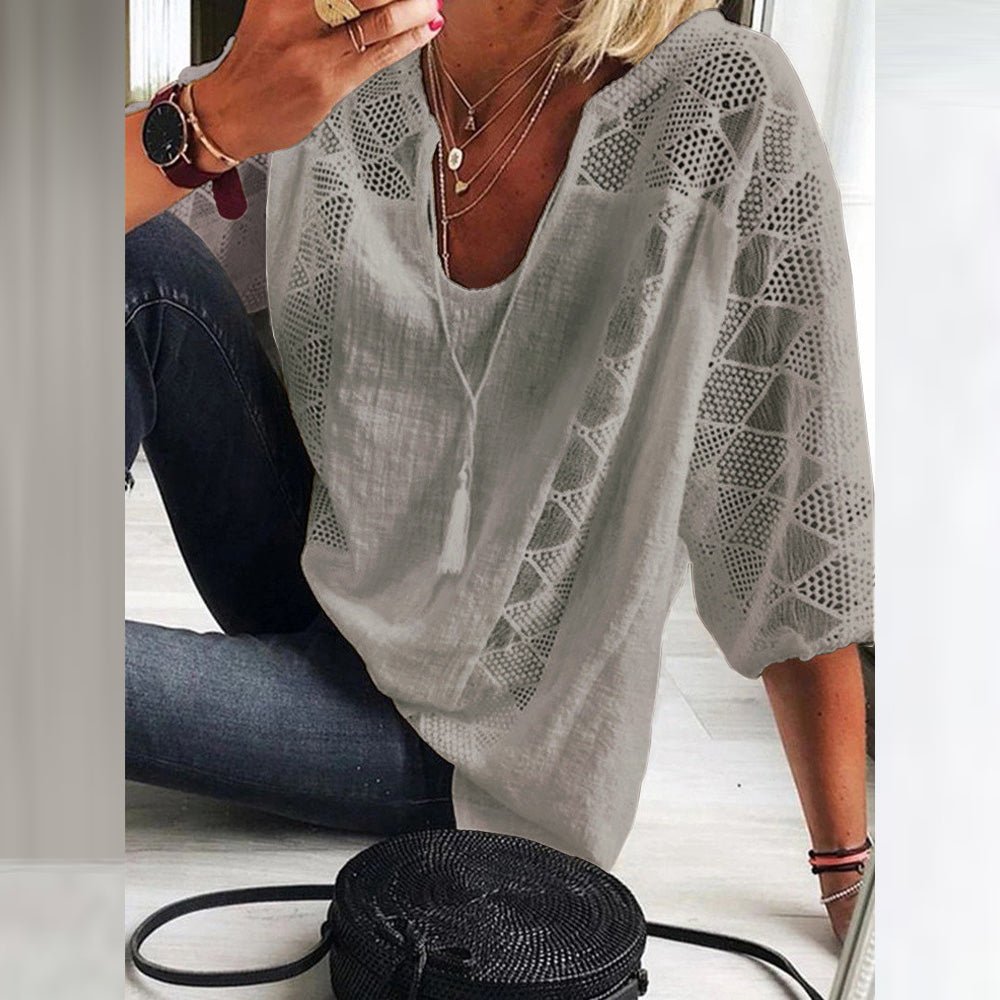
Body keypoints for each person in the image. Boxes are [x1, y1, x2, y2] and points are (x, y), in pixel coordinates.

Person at [125, 0, 874, 944]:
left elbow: (794, 526)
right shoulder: (352, 57)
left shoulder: (724, 103)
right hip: (315, 566)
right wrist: (214, 117)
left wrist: (847, 870)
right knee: (132, 254)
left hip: (460, 737)